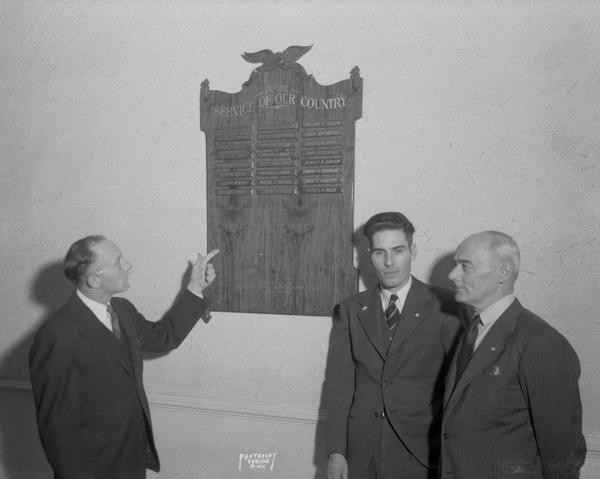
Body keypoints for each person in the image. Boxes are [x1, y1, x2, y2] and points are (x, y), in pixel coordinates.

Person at [29, 235, 219, 479]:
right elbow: (57, 429)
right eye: (119, 263)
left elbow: (164, 337)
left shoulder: (123, 310)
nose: (128, 266)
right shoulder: (57, 335)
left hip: (130, 456)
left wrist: (195, 287)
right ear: (95, 279)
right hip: (92, 468)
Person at [325, 212, 461, 479]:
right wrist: (336, 451)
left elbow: (455, 390)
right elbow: (339, 387)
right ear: (368, 256)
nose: (389, 262)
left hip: (422, 453)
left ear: (413, 251)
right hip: (361, 454)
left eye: (398, 251)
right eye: (379, 253)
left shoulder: (446, 307)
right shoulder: (350, 310)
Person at [441, 231, 586, 478]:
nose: (452, 275)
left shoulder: (541, 342)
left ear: (504, 272)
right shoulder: (472, 331)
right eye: (455, 265)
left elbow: (563, 454)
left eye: (465, 266)